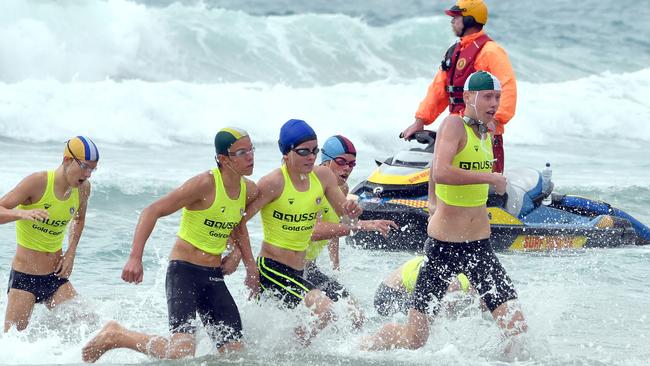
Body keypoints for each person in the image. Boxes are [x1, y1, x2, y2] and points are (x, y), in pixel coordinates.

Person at [363, 71, 528, 356]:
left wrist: (431, 199)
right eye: (488, 96)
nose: (494, 103)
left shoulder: (486, 131)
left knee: (516, 329)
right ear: (468, 97)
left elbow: (436, 174)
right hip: (443, 248)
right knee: (415, 338)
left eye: (497, 97)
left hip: (479, 247)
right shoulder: (454, 124)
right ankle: (360, 347)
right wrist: (490, 179)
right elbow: (440, 169)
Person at [82, 127, 259, 362]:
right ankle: (116, 334)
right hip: (184, 271)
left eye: (251, 149)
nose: (250, 156)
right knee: (181, 354)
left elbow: (238, 224)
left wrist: (245, 261)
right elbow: (151, 211)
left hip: (213, 276)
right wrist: (135, 258)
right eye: (242, 152)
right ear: (223, 159)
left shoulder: (248, 189)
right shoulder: (204, 184)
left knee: (236, 355)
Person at [241, 119, 362, 345]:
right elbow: (239, 221)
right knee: (324, 310)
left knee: (347, 311)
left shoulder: (326, 182)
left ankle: (296, 350)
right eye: (304, 151)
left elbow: (343, 220)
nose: (311, 157)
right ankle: (293, 351)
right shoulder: (274, 182)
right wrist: (246, 264)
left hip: (302, 268)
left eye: (314, 151)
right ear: (287, 153)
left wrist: (352, 213)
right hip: (273, 267)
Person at [401, 0, 516, 173]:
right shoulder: (454, 51)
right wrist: (420, 121)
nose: (452, 21)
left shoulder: (491, 51)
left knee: (490, 189)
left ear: (469, 19)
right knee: (446, 178)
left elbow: (507, 87)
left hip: (484, 132)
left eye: (456, 17)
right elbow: (439, 90)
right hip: (456, 131)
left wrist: (495, 120)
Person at [1, 136, 98, 332]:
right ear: (67, 160)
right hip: (25, 279)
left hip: (55, 277)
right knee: (12, 343)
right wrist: (22, 213)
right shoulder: (37, 182)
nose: (88, 174)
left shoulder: (82, 189)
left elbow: (78, 219)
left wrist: (71, 252)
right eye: (85, 167)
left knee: (89, 324)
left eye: (93, 169)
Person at [305, 135, 397, 325]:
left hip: (310, 268)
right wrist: (362, 225)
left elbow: (338, 227)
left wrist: (335, 266)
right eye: (341, 162)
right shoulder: (312, 187)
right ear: (327, 161)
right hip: (292, 267)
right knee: (326, 313)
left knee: (356, 314)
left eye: (352, 164)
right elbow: (314, 231)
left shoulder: (343, 189)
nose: (347, 168)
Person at [374, 256, 479, 317]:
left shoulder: (461, 271)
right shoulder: (456, 283)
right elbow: (445, 316)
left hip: (392, 290)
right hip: (389, 295)